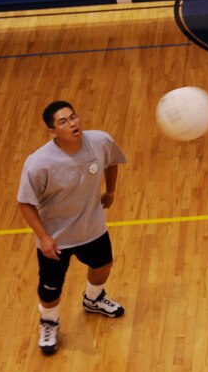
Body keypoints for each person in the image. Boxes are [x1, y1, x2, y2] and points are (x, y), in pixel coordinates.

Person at [18, 101, 128, 356]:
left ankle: (93, 299)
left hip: (92, 227)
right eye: (63, 122)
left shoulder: (100, 141)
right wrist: (43, 238)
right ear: (52, 131)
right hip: (56, 239)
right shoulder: (38, 163)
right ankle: (49, 322)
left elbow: (112, 160)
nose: (73, 124)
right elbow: (25, 203)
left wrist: (110, 190)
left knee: (103, 267)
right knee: (50, 289)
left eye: (73, 117)